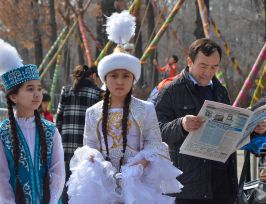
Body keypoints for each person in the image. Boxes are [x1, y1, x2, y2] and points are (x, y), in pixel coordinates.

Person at [67, 10, 182, 204]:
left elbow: (155, 143)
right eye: (114, 76)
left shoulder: (145, 109)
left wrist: (140, 165)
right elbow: (89, 145)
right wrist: (95, 159)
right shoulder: (93, 112)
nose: (119, 81)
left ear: (133, 80)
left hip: (139, 186)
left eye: (125, 76)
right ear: (105, 79)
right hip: (103, 186)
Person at [155, 38, 238, 204]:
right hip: (188, 185)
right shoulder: (170, 91)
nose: (208, 72)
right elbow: (156, 131)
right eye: (203, 66)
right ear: (189, 61)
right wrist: (181, 125)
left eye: (214, 67)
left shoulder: (220, 91)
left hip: (220, 182)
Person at [0, 39, 65, 203]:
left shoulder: (50, 130)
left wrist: (51, 200)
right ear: (14, 96)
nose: (37, 94)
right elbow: (1, 178)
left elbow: (58, 171)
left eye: (39, 88)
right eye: (30, 89)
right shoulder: (3, 133)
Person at [55, 64, 103, 203]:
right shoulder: (98, 94)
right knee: (84, 184)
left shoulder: (66, 91)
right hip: (87, 149)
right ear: (93, 76)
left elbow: (58, 120)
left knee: (66, 183)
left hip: (66, 146)